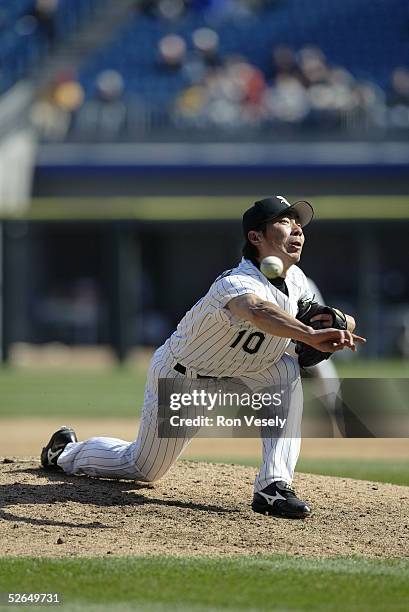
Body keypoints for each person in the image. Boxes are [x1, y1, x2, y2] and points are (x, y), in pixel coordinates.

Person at [41, 196, 365, 519]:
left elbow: (325, 315)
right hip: (185, 377)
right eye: (284, 221)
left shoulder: (296, 280)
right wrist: (307, 335)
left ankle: (274, 486)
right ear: (255, 237)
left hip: (249, 370)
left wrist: (338, 323)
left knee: (284, 371)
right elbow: (256, 310)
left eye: (299, 223)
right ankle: (64, 452)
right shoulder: (236, 282)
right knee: (143, 467)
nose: (296, 228)